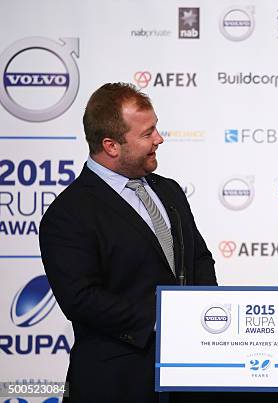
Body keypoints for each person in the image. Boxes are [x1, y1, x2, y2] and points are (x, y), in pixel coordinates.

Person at [39, 83, 217, 403]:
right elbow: (81, 299)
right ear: (111, 146)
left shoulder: (170, 191)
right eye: (147, 134)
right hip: (118, 383)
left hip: (192, 376)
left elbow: (199, 259)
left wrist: (206, 318)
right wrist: (166, 320)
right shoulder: (68, 213)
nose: (159, 139)